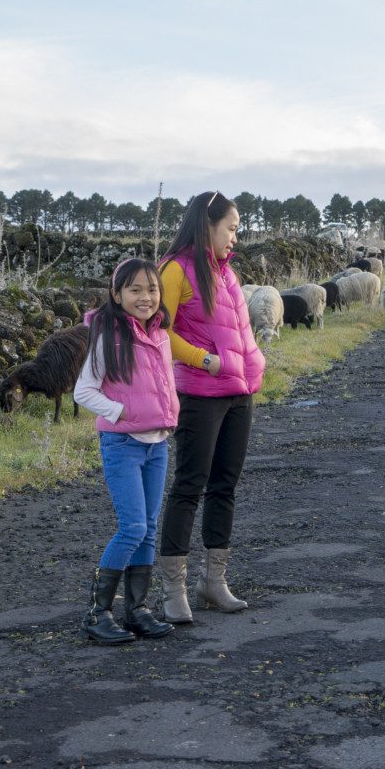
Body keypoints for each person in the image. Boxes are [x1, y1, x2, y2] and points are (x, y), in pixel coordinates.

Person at [156, 191, 265, 623]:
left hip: (240, 393)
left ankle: (213, 581)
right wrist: (205, 359)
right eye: (232, 228)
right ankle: (173, 589)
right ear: (207, 225)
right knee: (189, 486)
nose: (234, 238)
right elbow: (158, 331)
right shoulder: (175, 270)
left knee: (225, 486)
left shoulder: (229, 274)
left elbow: (240, 331)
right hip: (200, 394)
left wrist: (255, 363)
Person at [73, 257, 180, 645]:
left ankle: (136, 610)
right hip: (122, 444)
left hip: (157, 444)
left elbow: (164, 385)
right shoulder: (108, 336)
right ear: (116, 295)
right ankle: (97, 613)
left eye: (152, 289)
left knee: (149, 529)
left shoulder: (162, 336)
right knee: (133, 526)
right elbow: (84, 390)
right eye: (134, 289)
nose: (145, 297)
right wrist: (122, 412)